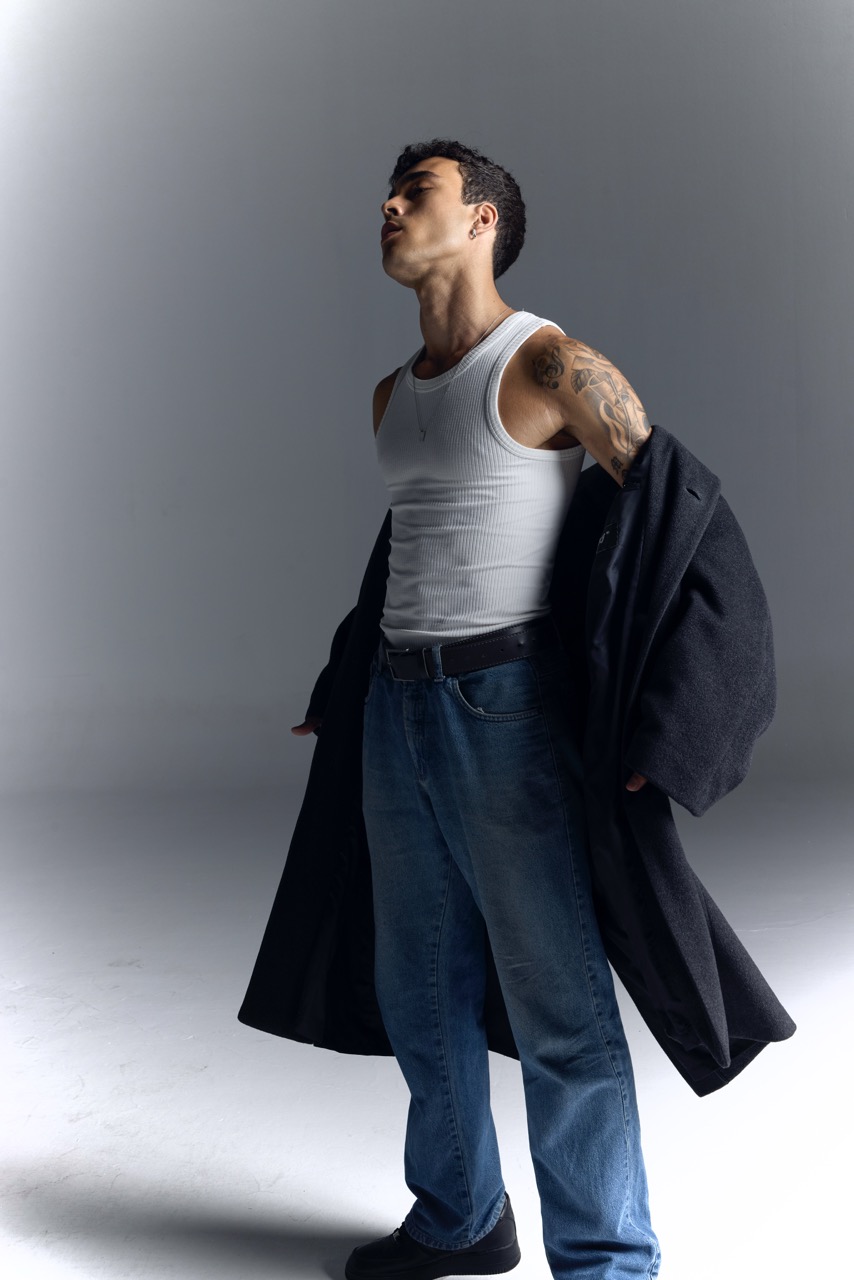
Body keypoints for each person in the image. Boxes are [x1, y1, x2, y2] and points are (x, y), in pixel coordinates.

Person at [291, 138, 662, 1280]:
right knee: (417, 987)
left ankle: (607, 1260)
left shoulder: (550, 362)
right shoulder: (392, 394)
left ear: (484, 219)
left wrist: (659, 713)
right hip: (396, 708)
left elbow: (667, 520)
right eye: (392, 192)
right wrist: (346, 678)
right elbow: (410, 546)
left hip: (504, 710)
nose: (390, 205)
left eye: (420, 192)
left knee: (558, 1004)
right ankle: (460, 1216)